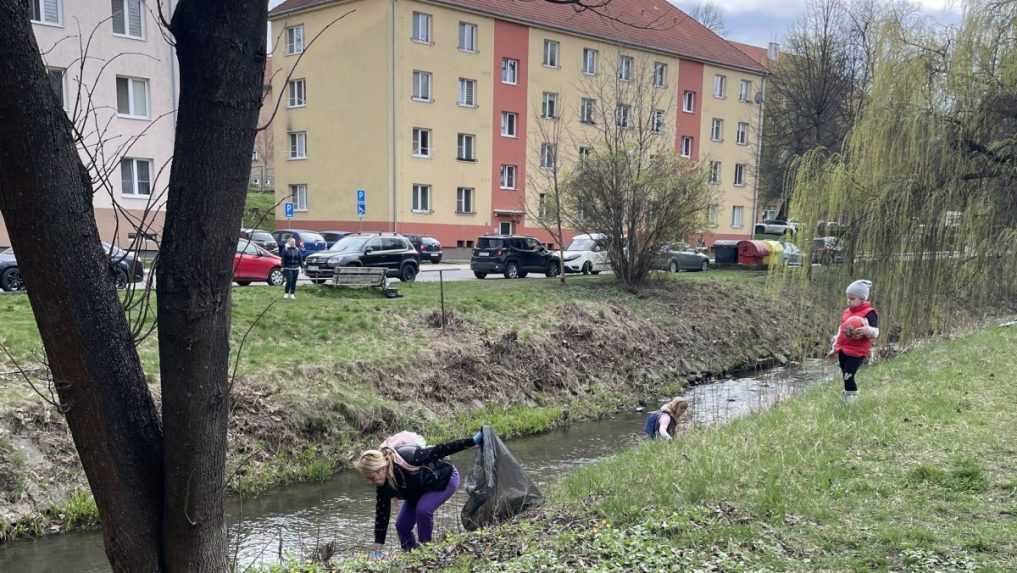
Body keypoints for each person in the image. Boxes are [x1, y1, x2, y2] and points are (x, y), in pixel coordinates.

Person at [355, 431, 483, 559]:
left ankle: (426, 552)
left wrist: (471, 441)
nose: (370, 482)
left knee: (423, 510)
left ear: (381, 468)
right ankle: (411, 557)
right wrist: (378, 544)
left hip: (444, 479)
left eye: (371, 477)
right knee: (402, 526)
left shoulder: (408, 456)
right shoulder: (383, 485)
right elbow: (382, 513)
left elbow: (441, 449)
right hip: (417, 490)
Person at [826, 279, 879, 404]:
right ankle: (847, 395)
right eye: (848, 298)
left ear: (862, 299)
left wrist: (866, 330)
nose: (848, 301)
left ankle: (851, 400)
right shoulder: (846, 312)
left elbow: (875, 332)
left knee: (848, 375)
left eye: (852, 298)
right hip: (844, 350)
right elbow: (841, 332)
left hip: (857, 352)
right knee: (845, 374)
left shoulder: (869, 313)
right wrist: (834, 349)